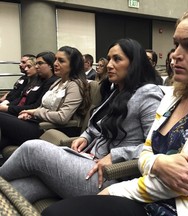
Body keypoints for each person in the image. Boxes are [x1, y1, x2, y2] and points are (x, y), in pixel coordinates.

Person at [42, 7, 188, 216]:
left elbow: (180, 181)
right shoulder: (174, 96)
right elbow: (145, 153)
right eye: (176, 44)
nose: (175, 56)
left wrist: (114, 191)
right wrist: (158, 162)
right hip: (153, 198)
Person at [0, 38, 164, 204]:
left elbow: (158, 147)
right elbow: (97, 127)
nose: (109, 65)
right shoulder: (117, 90)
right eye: (109, 59)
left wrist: (116, 156)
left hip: (111, 176)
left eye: (117, 59)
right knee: (18, 189)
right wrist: (85, 137)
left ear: (134, 63)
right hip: (89, 160)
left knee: (32, 148)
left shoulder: (148, 94)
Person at [0, 46, 90, 149]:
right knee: (4, 139)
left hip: (48, 129)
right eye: (56, 59)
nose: (55, 63)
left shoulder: (74, 85)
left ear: (73, 65)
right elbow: (43, 107)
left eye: (61, 61)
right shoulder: (58, 82)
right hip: (37, 123)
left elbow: (62, 117)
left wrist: (35, 113)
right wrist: (30, 114)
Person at [0, 52, 58, 116]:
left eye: (40, 63)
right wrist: (6, 105)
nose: (36, 66)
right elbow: (21, 98)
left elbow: (37, 106)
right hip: (18, 111)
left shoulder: (52, 82)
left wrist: (8, 108)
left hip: (28, 115)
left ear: (50, 65)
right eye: (36, 64)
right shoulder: (36, 80)